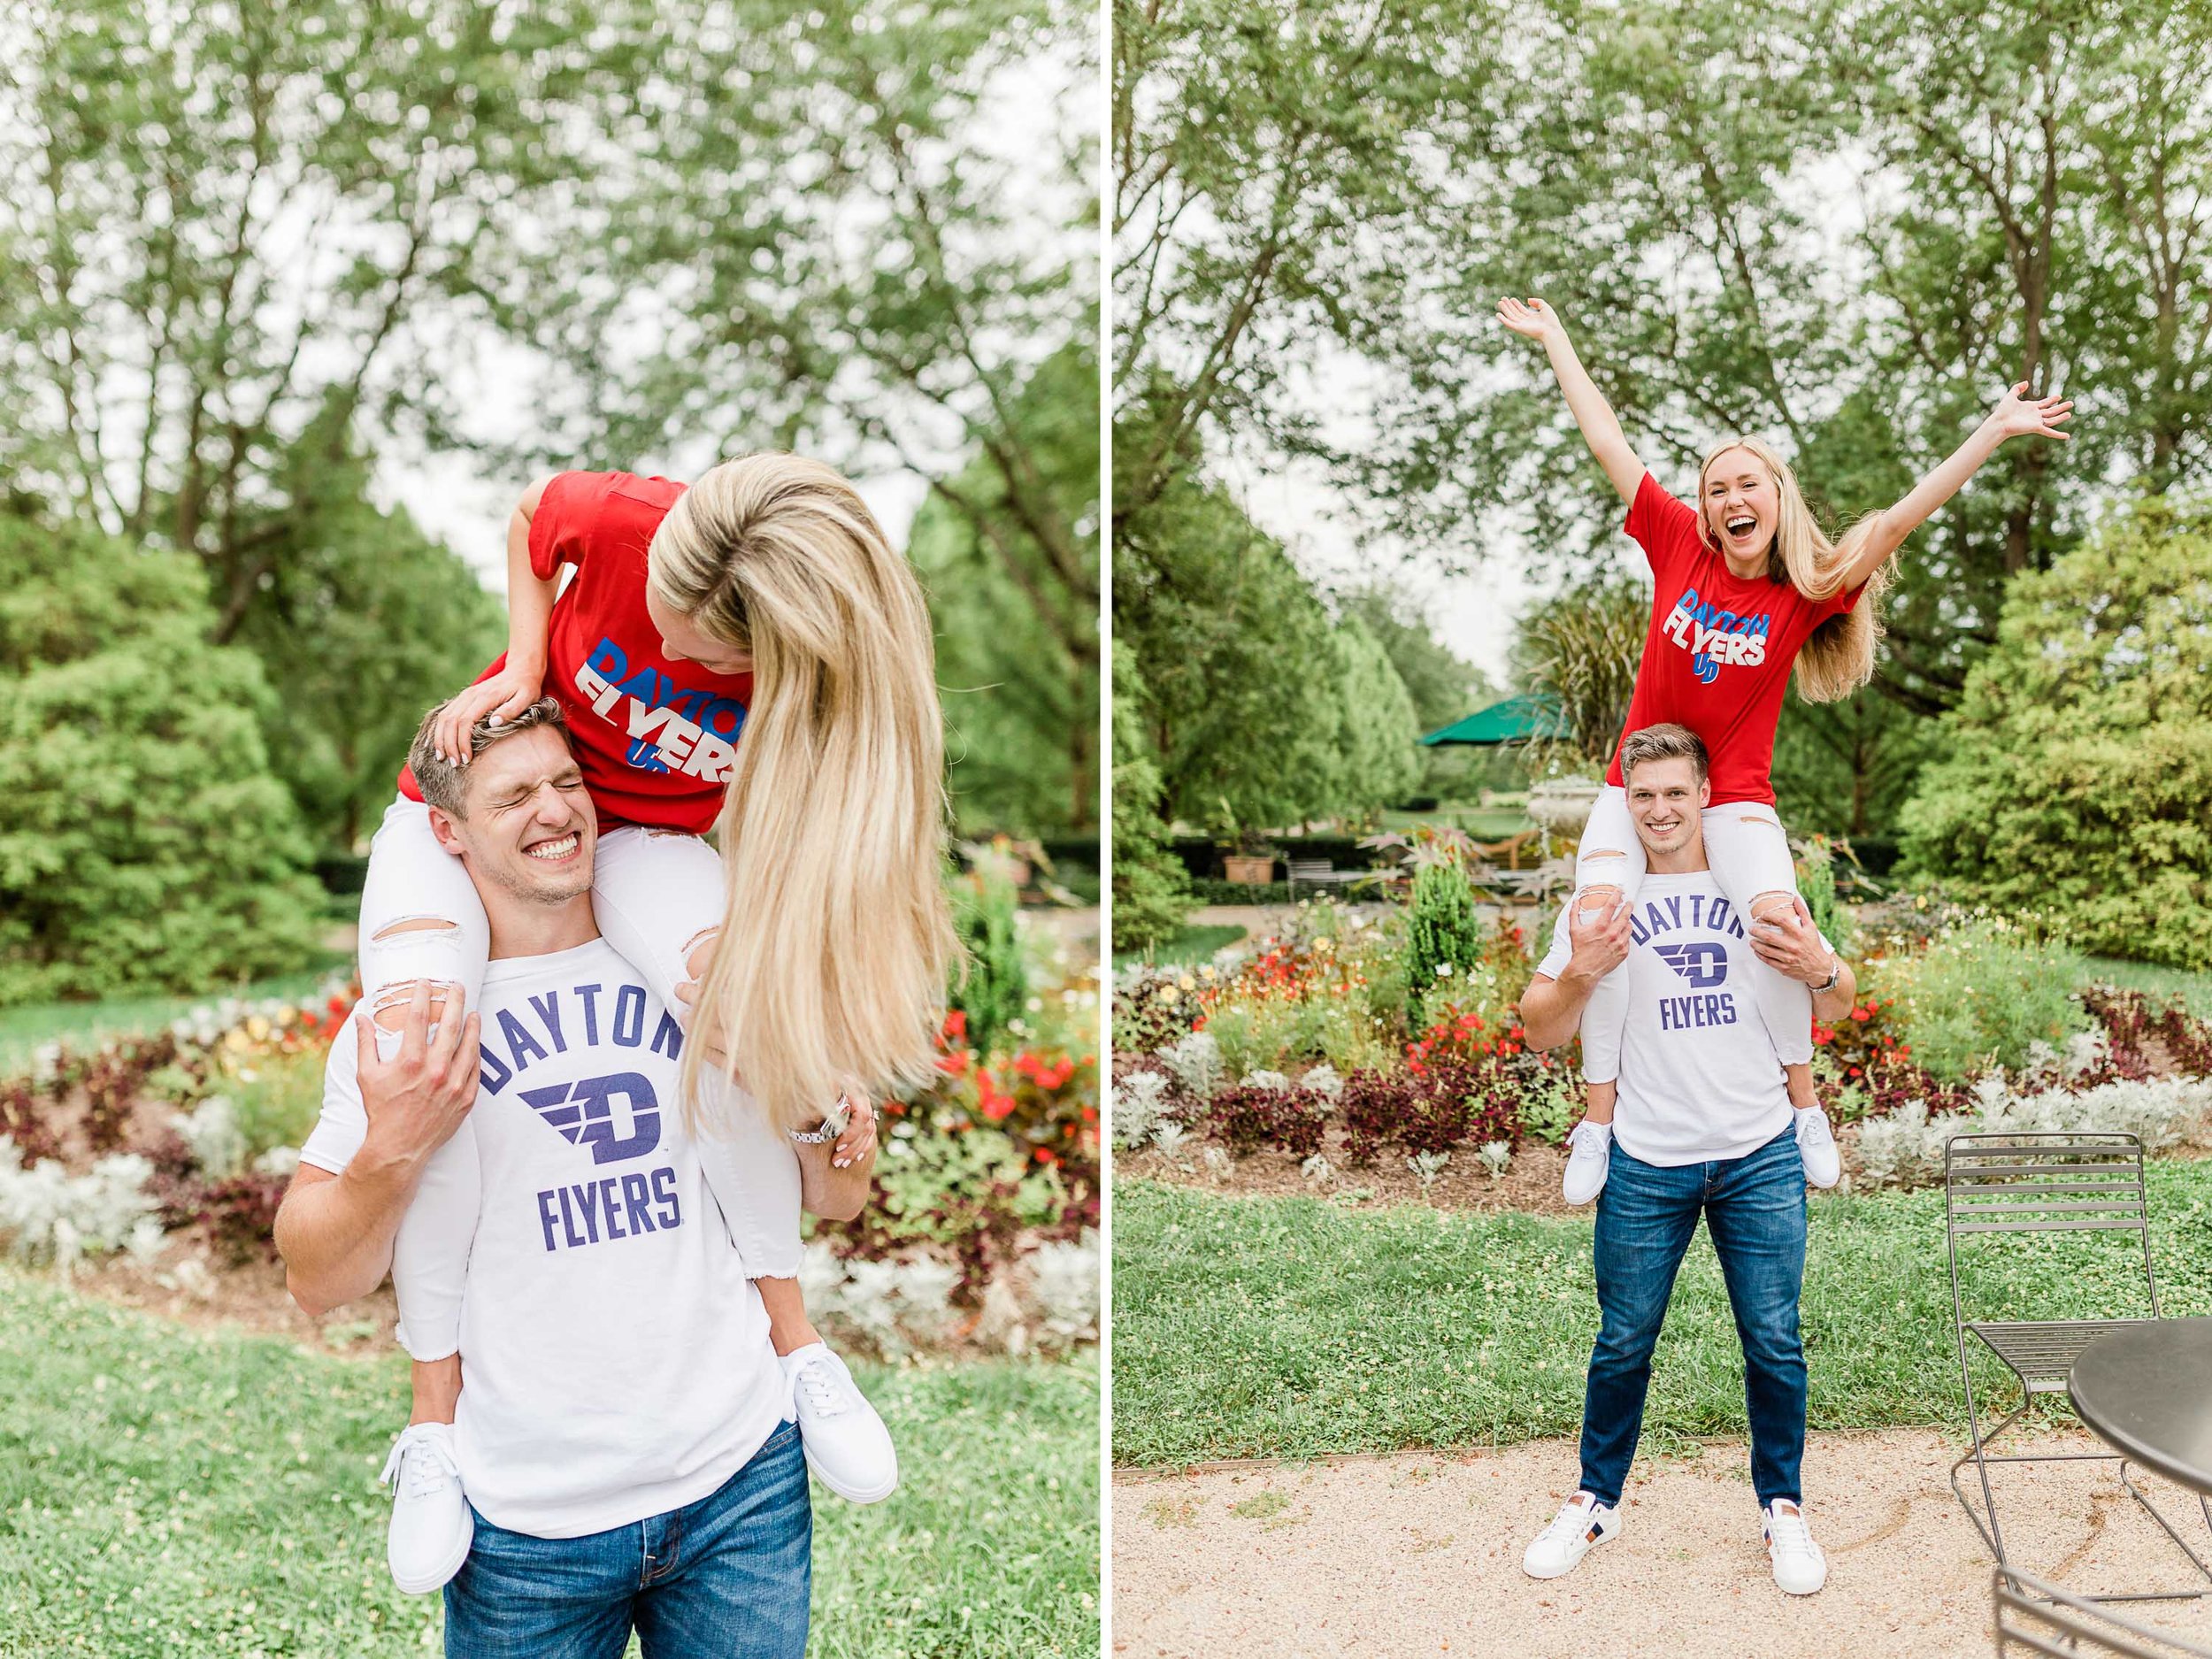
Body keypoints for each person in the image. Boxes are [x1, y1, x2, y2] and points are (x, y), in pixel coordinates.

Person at [339, 460, 956, 1591]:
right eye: (660, 619)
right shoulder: (627, 522)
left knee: (736, 1018)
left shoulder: (818, 684)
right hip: (485, 799)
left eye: (703, 652)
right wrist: (527, 664)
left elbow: (808, 848)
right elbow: (532, 516)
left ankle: (798, 1352)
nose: (670, 654)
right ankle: (434, 1426)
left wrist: (803, 1039)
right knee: (419, 1040)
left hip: (638, 845)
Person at [277, 704, 863, 1655]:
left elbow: (838, 1200)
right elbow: (314, 1282)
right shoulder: (410, 1029)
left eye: (567, 783)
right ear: (446, 830)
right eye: (514, 795)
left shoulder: (704, 976)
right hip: (523, 1528)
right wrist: (392, 1152)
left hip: (741, 1484)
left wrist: (819, 1108)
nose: (554, 812)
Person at [1497, 294, 2070, 1205]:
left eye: (1745, 485)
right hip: (1631, 785)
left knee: (1778, 929)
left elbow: (1892, 523)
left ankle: (1802, 1105)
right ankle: (1599, 1121)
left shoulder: (1806, 590)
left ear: (1774, 498)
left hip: (1733, 798)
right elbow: (1607, 441)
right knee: (1597, 925)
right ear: (1703, 506)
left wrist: (1993, 432)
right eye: (1715, 487)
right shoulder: (1677, 544)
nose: (1729, 499)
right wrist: (1557, 339)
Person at [1517, 725, 1860, 1597]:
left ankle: (1782, 1509)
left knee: (1774, 1342)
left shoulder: (1755, 886)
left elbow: (1839, 1003)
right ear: (1622, 805)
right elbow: (1538, 1024)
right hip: (1646, 1160)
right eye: (1644, 797)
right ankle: (1595, 1500)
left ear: (1706, 792)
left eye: (1676, 793)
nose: (1661, 811)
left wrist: (1821, 967)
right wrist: (1581, 974)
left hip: (1757, 1154)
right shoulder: (1604, 898)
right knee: (1622, 1341)